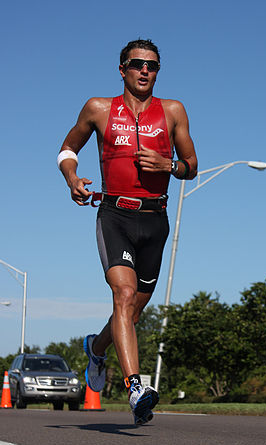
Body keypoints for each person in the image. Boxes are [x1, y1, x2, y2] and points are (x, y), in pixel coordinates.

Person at [58, 39, 198, 424]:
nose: (144, 71)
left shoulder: (172, 112)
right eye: (137, 64)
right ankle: (135, 387)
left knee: (132, 313)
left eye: (152, 65)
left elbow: (192, 165)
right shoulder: (99, 108)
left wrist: (168, 165)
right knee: (122, 294)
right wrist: (71, 178)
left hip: (155, 220)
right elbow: (67, 149)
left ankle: (96, 348)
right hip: (114, 215)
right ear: (122, 69)